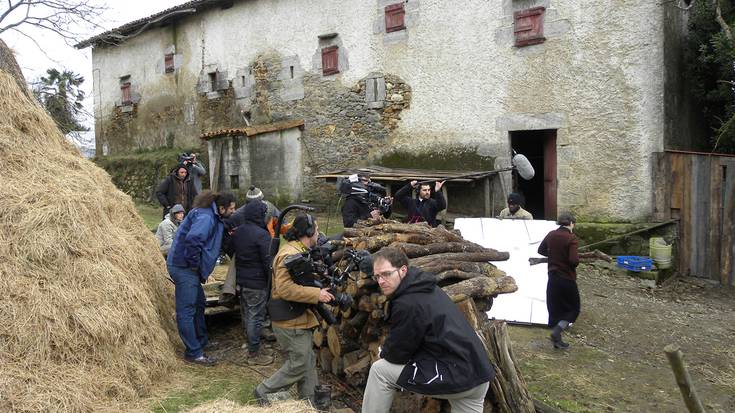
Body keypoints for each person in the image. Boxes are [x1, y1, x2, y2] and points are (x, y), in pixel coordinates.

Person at [362, 247, 494, 413]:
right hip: (478, 373)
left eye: (387, 274)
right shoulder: (425, 286)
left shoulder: (408, 302)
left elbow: (397, 354)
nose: (381, 281)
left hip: (456, 375)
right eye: (377, 276)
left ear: (403, 270)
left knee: (380, 371)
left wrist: (384, 352)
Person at [253, 214, 334, 405]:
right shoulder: (288, 254)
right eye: (316, 228)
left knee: (307, 361)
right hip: (289, 320)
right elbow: (285, 289)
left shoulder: (299, 250)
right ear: (308, 232)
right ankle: (263, 390)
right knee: (299, 363)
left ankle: (310, 402)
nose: (318, 232)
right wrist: (317, 294)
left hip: (296, 316)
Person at [166, 190, 237, 366]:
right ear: (221, 208)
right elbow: (193, 240)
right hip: (184, 267)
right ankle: (194, 353)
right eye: (232, 208)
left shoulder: (212, 215)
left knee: (199, 303)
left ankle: (201, 342)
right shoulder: (206, 217)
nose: (234, 211)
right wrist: (195, 266)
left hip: (188, 267)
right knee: (187, 309)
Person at [222, 200, 275, 366]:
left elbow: (229, 248)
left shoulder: (239, 231)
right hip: (257, 283)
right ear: (260, 215)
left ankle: (252, 346)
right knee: (255, 317)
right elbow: (268, 262)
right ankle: (254, 354)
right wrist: (272, 282)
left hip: (243, 281)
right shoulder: (262, 234)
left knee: (247, 315)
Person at [537, 212, 580, 349]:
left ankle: (557, 341)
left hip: (552, 278)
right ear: (571, 223)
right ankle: (557, 332)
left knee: (556, 309)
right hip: (566, 278)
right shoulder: (571, 238)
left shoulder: (551, 234)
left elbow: (541, 250)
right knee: (574, 308)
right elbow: (574, 261)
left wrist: (554, 256)